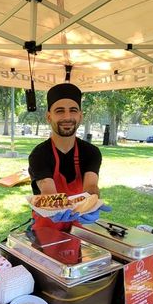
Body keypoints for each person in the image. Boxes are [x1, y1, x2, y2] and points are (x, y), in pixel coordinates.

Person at [28, 83, 110, 230]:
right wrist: (55, 210)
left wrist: (92, 204)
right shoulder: (39, 154)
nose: (67, 117)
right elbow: (47, 190)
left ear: (80, 116)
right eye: (59, 111)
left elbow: (91, 186)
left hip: (79, 224)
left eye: (73, 110)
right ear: (49, 116)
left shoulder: (91, 152)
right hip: (46, 227)